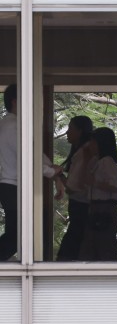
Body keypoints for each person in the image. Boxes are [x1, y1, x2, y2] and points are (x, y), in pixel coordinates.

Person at [0, 84, 63, 261]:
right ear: (14, 102)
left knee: (20, 232)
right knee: (18, 234)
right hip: (14, 187)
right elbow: (27, 158)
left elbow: (34, 154)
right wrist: (51, 172)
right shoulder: (13, 126)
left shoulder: (11, 124)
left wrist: (53, 172)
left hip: (12, 186)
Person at [77, 127, 117, 261]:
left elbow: (115, 187)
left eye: (93, 142)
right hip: (95, 206)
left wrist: (96, 183)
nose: (90, 145)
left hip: (105, 208)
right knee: (92, 246)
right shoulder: (96, 161)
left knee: (104, 246)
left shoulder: (107, 162)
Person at [56, 115, 94, 260]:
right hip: (81, 206)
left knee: (70, 248)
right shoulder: (83, 151)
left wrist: (58, 174)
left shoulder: (83, 152)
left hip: (81, 206)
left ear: (80, 131)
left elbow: (74, 186)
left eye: (71, 128)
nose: (67, 132)